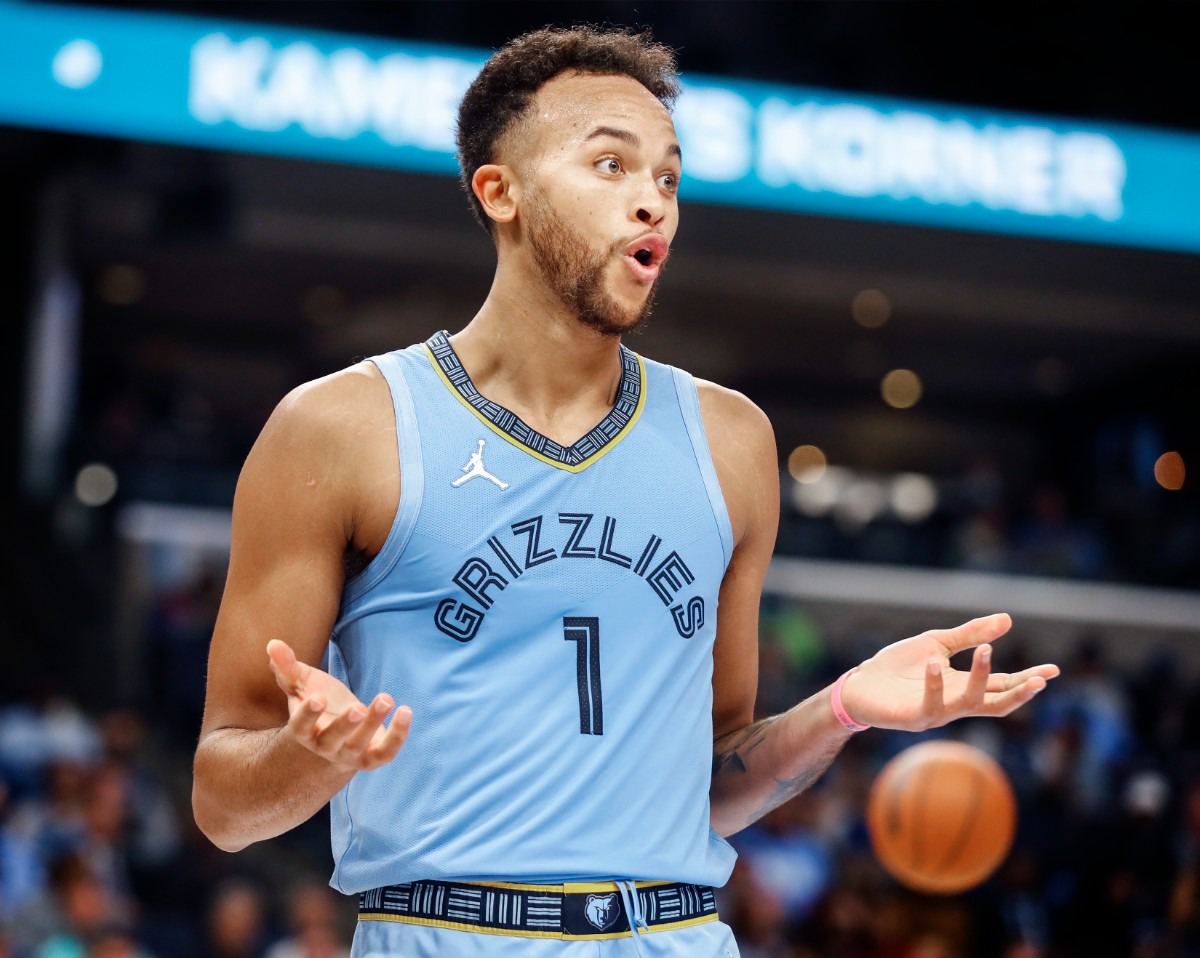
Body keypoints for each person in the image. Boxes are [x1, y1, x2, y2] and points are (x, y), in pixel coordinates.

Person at [192, 24, 1060, 957]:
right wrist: (305, 757)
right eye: (612, 166)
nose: (653, 203)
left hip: (677, 935)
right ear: (501, 191)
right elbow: (221, 803)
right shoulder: (340, 428)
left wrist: (843, 707)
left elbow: (719, 785)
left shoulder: (732, 441)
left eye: (668, 178)